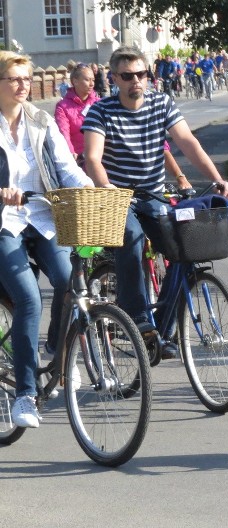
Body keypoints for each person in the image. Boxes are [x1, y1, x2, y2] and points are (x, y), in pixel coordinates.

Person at [82, 46, 228, 344]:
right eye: (127, 76)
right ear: (115, 78)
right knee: (133, 238)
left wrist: (218, 179)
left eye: (141, 74)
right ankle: (137, 320)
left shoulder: (161, 103)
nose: (136, 80)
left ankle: (163, 327)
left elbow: (188, 142)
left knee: (184, 247)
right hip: (118, 197)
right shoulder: (101, 110)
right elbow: (92, 157)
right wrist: (106, 187)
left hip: (153, 194)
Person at [0, 51, 94, 428]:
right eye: (14, 79)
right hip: (5, 222)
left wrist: (89, 189)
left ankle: (58, 351)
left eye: (26, 78)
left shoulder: (40, 120)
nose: (23, 85)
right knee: (28, 298)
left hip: (43, 218)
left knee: (70, 282)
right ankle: (25, 394)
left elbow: (66, 167)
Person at [54, 62, 98, 167]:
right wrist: (71, 152)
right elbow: (64, 132)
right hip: (79, 160)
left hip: (100, 157)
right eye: (87, 80)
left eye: (93, 80)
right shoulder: (63, 106)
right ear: (75, 81)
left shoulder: (99, 103)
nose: (91, 84)